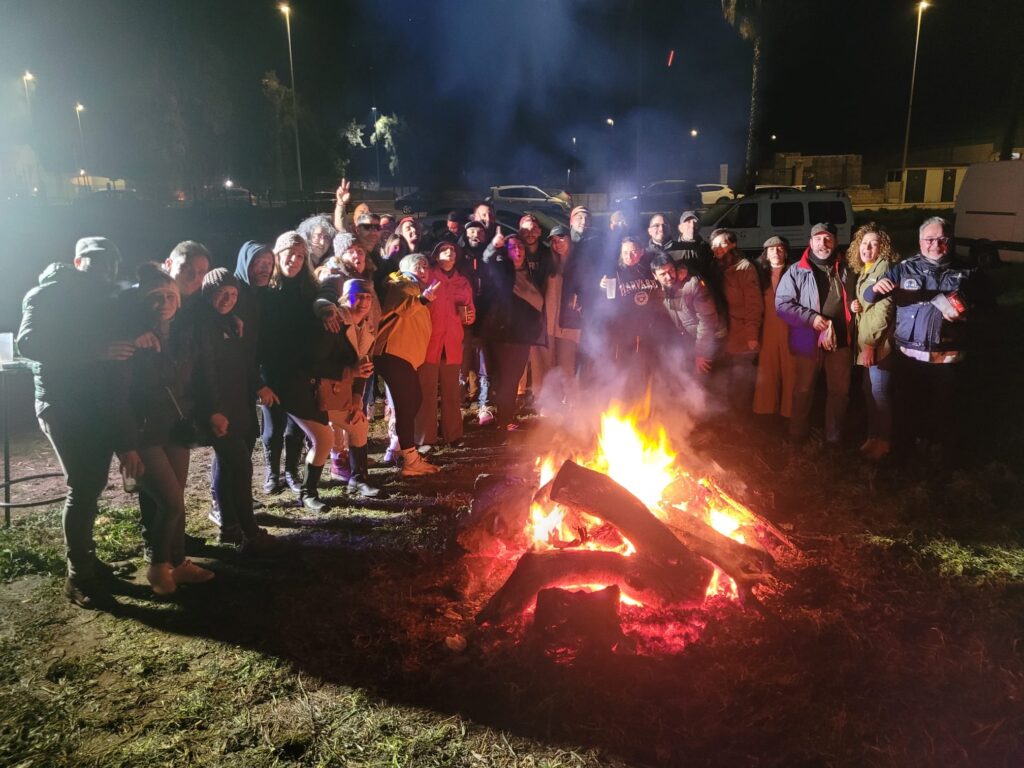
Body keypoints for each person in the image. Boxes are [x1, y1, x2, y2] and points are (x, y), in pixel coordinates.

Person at [17, 237, 146, 608]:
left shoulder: (104, 299)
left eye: (113, 263)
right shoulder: (46, 293)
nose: (108, 269)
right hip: (62, 404)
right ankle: (78, 577)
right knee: (83, 485)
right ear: (78, 260)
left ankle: (89, 562)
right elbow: (30, 344)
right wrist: (96, 352)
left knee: (92, 485)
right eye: (98, 261)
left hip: (95, 404)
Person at [120, 264, 215, 595]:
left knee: (177, 500)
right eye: (156, 297)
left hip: (175, 429)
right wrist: (126, 445)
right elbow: (120, 396)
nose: (164, 302)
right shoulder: (133, 341)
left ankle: (179, 562)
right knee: (170, 502)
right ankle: (159, 566)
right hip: (144, 432)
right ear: (143, 302)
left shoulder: (182, 336)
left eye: (170, 296)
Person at [864, 216, 991, 461]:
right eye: (929, 239)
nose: (935, 245)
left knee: (944, 413)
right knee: (907, 410)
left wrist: (967, 313)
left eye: (942, 239)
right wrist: (875, 289)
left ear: (950, 241)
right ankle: (904, 457)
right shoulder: (904, 268)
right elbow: (870, 296)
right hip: (909, 359)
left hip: (948, 361)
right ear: (920, 241)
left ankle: (940, 461)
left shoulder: (969, 271)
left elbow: (990, 312)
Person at [192, 269, 275, 553]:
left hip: (238, 405)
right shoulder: (203, 326)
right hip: (219, 408)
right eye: (222, 293)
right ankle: (249, 531)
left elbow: (243, 362)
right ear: (208, 293)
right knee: (239, 466)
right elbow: (206, 373)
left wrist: (259, 386)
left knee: (229, 466)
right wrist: (214, 410)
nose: (228, 299)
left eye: (233, 294)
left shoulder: (228, 322)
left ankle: (230, 528)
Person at [262, 231, 335, 512]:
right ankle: (273, 473)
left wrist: (326, 307)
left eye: (300, 255)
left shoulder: (309, 289)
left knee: (297, 427)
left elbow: (327, 290)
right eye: (289, 254)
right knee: (272, 426)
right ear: (277, 254)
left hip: (299, 370)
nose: (294, 259)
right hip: (271, 369)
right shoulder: (265, 290)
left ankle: (293, 472)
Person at [776, 222, 852, 444]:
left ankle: (834, 438)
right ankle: (797, 435)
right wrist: (813, 319)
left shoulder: (847, 268)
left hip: (840, 340)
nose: (822, 243)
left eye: (827, 238)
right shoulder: (796, 271)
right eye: (817, 239)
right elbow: (782, 305)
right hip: (806, 337)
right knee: (802, 388)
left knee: (839, 391)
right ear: (810, 242)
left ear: (835, 241)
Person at [373, 253, 441, 476]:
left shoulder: (413, 287)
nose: (423, 269)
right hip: (393, 352)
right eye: (418, 265)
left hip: (405, 356)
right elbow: (403, 306)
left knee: (413, 401)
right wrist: (424, 299)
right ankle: (411, 460)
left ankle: (398, 449)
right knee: (406, 403)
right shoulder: (401, 282)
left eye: (426, 266)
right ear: (406, 267)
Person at [480, 233, 546, 430]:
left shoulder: (530, 273)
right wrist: (493, 245)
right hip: (505, 333)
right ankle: (504, 421)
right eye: (512, 247)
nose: (517, 250)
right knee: (506, 378)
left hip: (523, 335)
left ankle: (506, 417)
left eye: (520, 247)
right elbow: (486, 260)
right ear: (505, 252)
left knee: (513, 377)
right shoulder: (502, 270)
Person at [847, 224, 900, 460]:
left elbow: (884, 311)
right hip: (866, 342)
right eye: (864, 243)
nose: (867, 247)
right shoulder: (867, 269)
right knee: (868, 390)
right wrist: (854, 306)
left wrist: (870, 344)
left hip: (878, 344)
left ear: (882, 248)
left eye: (874, 243)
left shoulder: (884, 269)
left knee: (880, 394)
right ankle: (872, 436)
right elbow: (868, 304)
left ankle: (885, 442)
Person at [415, 241, 475, 448]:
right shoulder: (428, 276)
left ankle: (453, 435)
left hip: (452, 345)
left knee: (451, 392)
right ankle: (425, 438)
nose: (449, 254)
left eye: (452, 251)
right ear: (436, 255)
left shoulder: (462, 282)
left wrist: (469, 316)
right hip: (429, 344)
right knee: (426, 393)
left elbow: (469, 313)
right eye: (443, 250)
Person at [595, 237, 662, 391]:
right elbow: (604, 303)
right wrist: (601, 287)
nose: (629, 256)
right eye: (625, 252)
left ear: (641, 252)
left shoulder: (649, 270)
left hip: (648, 328)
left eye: (633, 252)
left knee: (647, 365)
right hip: (624, 330)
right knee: (624, 367)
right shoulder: (614, 273)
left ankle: (645, 402)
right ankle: (624, 401)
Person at [709, 228, 763, 412]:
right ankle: (727, 419)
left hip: (742, 335)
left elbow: (754, 305)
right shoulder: (716, 268)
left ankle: (742, 422)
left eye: (723, 243)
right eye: (714, 245)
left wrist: (752, 335)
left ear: (733, 244)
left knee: (741, 380)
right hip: (724, 334)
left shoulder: (744, 268)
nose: (718, 248)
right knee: (725, 379)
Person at [650, 252, 719, 375]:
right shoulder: (658, 291)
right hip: (689, 341)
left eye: (671, 270)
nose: (669, 277)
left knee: (708, 380)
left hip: (710, 340)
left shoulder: (692, 284)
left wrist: (701, 353)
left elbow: (708, 321)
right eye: (662, 274)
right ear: (654, 276)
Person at [753, 236, 797, 422]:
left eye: (780, 249)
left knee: (791, 370)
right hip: (768, 329)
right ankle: (766, 411)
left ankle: (790, 411)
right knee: (768, 369)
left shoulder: (795, 272)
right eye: (771, 249)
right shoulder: (758, 274)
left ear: (786, 252)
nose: (776, 252)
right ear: (766, 253)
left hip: (791, 328)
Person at [539, 225, 583, 406]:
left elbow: (588, 288)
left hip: (570, 322)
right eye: (554, 241)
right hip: (550, 321)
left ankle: (572, 401)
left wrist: (581, 299)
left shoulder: (579, 263)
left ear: (570, 239)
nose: (557, 244)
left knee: (567, 364)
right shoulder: (549, 263)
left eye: (561, 239)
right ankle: (553, 402)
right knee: (550, 365)